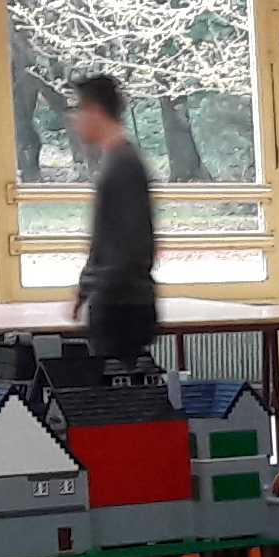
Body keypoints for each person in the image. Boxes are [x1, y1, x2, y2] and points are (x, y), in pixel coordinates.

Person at [63, 73, 160, 364]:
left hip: (122, 305)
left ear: (95, 111)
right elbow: (105, 239)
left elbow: (130, 242)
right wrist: (86, 289)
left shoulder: (123, 166)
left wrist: (100, 289)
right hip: (115, 299)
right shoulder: (115, 161)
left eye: (78, 110)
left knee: (117, 386)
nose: (75, 120)